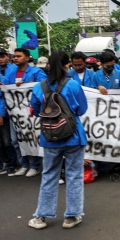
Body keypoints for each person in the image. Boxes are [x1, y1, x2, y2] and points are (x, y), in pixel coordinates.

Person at [28, 51, 88, 230]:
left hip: (50, 137)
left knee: (49, 175)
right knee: (74, 175)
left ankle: (41, 216)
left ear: (47, 65)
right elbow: (81, 109)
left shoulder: (39, 87)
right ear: (67, 64)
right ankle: (71, 216)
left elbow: (35, 109)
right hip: (73, 136)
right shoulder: (73, 85)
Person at [7, 48, 48, 178]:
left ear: (27, 58)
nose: (15, 58)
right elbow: (6, 88)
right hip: (15, 113)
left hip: (31, 112)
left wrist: (27, 84)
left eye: (19, 56)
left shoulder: (36, 72)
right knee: (16, 140)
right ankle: (24, 164)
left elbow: (44, 86)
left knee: (32, 139)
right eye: (14, 56)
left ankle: (35, 166)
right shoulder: (10, 72)